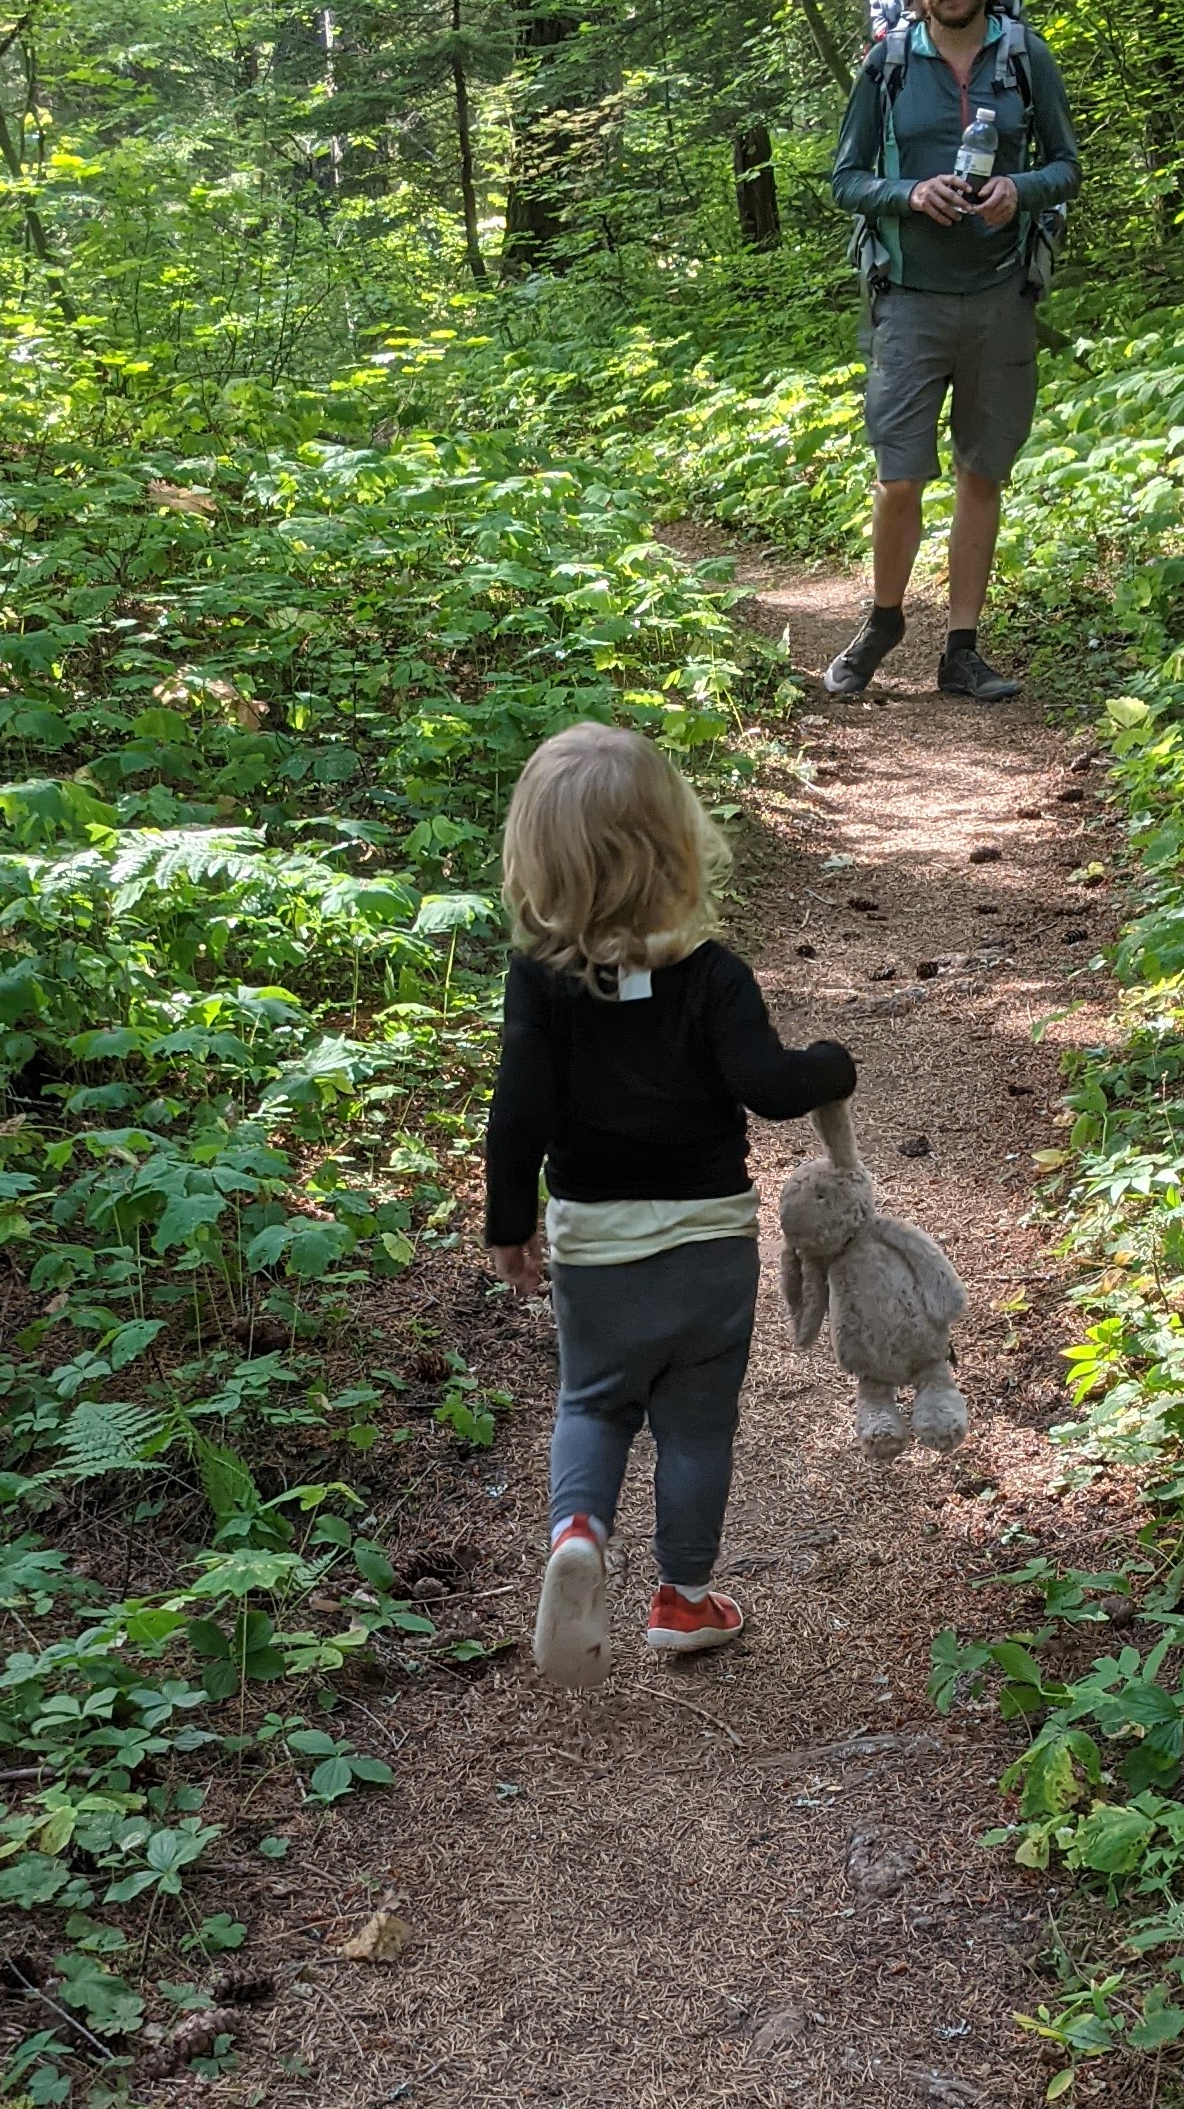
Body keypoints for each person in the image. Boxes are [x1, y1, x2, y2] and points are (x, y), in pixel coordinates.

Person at [483, 723, 858, 1688]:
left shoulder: (542, 983)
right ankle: (684, 1600)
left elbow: (518, 1110)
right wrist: (832, 1065)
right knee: (697, 1427)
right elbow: (771, 1086)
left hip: (596, 1246)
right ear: (676, 843)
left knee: (593, 1402)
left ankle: (577, 1532)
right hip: (707, 1250)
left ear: (537, 859)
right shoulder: (712, 974)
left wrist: (509, 1223)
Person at [824, 0, 1081, 704]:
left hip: (1003, 296)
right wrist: (907, 195)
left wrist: (1020, 188)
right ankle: (884, 621)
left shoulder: (1025, 56)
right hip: (908, 300)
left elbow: (1067, 167)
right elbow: (845, 179)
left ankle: (962, 650)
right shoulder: (889, 63)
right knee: (899, 474)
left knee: (981, 471)